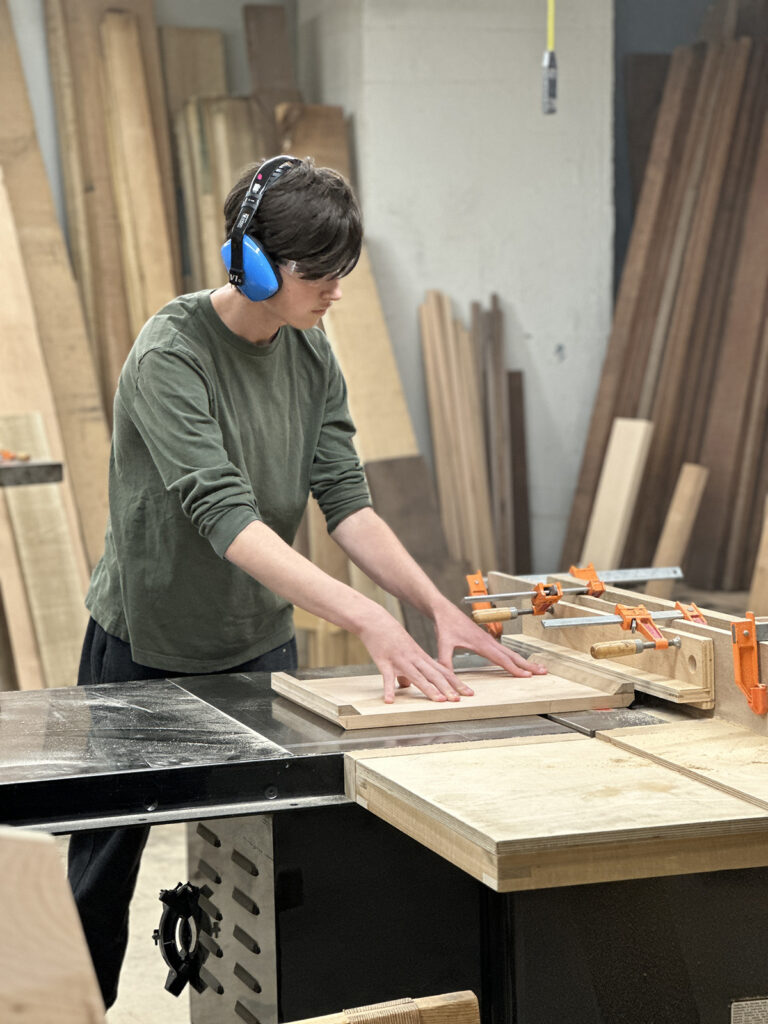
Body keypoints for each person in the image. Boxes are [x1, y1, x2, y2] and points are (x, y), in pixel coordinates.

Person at [69, 154, 546, 1008]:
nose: (335, 291)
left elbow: (346, 500)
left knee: (281, 875)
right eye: (317, 272)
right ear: (250, 263)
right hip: (146, 647)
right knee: (98, 886)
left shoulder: (310, 349)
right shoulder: (170, 355)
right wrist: (366, 616)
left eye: (341, 271)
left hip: (258, 646)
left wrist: (431, 606)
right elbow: (225, 518)